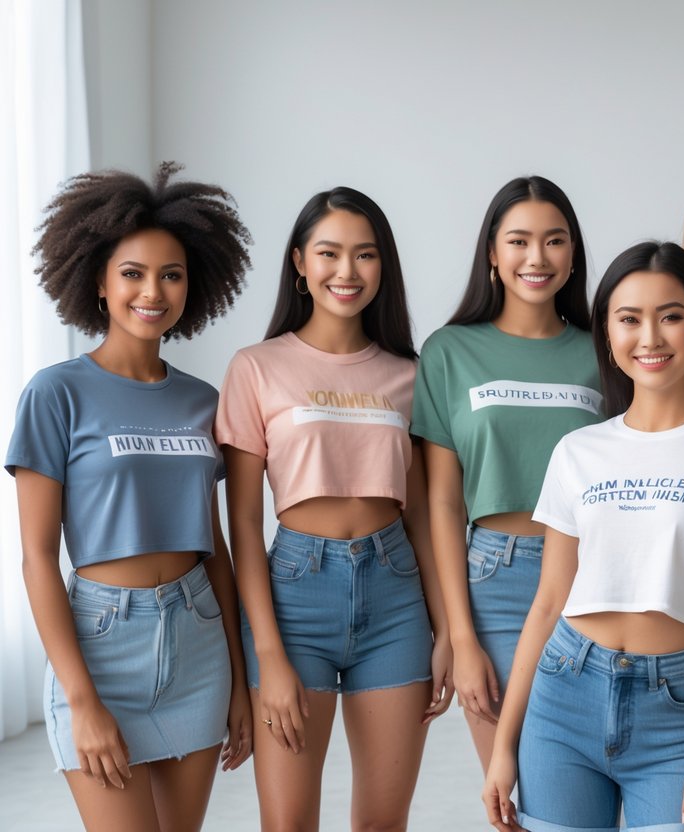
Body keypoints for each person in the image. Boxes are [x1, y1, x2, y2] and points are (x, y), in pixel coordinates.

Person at [482, 241, 684, 832]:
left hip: (678, 707)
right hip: (563, 696)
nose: (650, 337)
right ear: (607, 334)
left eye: (671, 316)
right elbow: (548, 603)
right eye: (629, 319)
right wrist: (504, 747)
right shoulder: (579, 451)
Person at [6, 162, 252, 830]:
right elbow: (35, 557)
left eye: (171, 274)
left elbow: (215, 549)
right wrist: (81, 700)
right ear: (99, 282)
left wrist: (239, 676)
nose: (153, 291)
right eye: (133, 273)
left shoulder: (204, 402)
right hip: (101, 644)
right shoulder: (56, 394)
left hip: (198, 645)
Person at [217, 187, 451, 831]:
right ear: (299, 262)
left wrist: (448, 630)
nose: (347, 272)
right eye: (329, 253)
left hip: (396, 600)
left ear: (384, 267)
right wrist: (269, 654)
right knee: (289, 823)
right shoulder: (257, 368)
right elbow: (241, 524)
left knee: (382, 822)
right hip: (295, 599)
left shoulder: (412, 372)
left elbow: (424, 519)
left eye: (365, 255)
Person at [411, 176, 602, 770]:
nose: (537, 258)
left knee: (587, 787)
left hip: (592, 574)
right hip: (493, 583)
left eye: (555, 240)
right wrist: (459, 637)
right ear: (492, 253)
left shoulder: (606, 350)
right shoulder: (449, 351)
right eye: (519, 241)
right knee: (514, 789)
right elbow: (442, 504)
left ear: (573, 254)